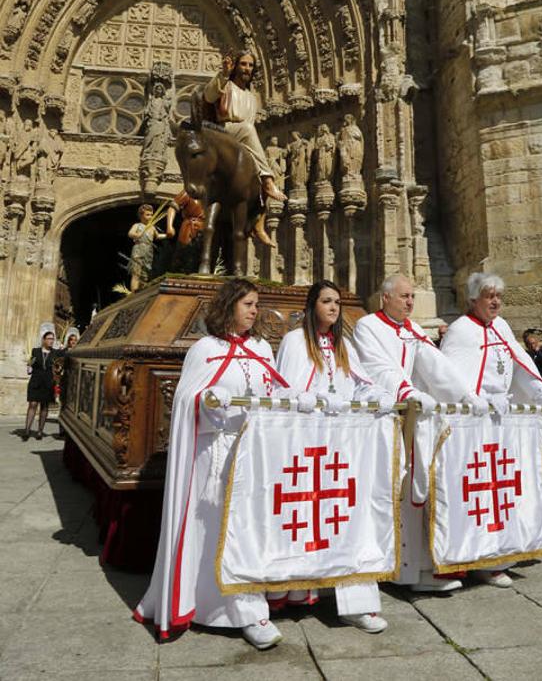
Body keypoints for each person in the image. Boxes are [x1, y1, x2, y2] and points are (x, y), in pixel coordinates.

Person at [134, 278, 290, 650]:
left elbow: (272, 390)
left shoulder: (263, 348)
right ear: (229, 305)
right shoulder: (206, 348)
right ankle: (214, 605)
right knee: (215, 526)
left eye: (256, 304)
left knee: (250, 528)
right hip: (216, 452)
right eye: (248, 304)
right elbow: (188, 397)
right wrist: (209, 400)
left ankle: (250, 606)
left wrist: (289, 397)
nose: (255, 311)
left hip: (254, 451)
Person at [352, 274, 484, 593]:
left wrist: (466, 396)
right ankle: (388, 567)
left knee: (417, 493)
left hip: (414, 421)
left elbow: (435, 364)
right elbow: (378, 368)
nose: (411, 302)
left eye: (412, 297)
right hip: (385, 420)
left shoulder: (411, 329)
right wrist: (407, 391)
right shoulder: (368, 326)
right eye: (404, 296)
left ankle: (417, 568)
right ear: (385, 298)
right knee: (389, 492)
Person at [273, 280, 391, 633]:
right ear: (312, 306)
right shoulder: (296, 341)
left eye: (337, 302)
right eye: (326, 301)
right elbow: (286, 388)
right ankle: (298, 588)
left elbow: (361, 381)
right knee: (306, 517)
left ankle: (359, 604)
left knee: (351, 519)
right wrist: (309, 400)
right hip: (307, 447)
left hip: (344, 447)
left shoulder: (344, 344)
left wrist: (376, 393)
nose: (334, 308)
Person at [441, 272, 542, 587]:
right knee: (478, 493)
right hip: (473, 425)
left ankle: (500, 553)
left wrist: (541, 393)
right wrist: (478, 399)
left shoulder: (503, 326)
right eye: (489, 295)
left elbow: (520, 363)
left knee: (502, 493)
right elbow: (451, 380)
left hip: (502, 424)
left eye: (499, 296)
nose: (495, 301)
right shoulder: (460, 331)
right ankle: (477, 556)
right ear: (473, 299)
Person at [204, 52, 286, 206]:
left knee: (253, 163)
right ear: (235, 66)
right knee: (248, 129)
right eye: (243, 64)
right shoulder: (225, 85)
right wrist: (223, 74)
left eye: (250, 65)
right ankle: (268, 180)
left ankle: (258, 210)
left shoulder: (251, 97)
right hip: (223, 131)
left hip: (242, 138)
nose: (247, 68)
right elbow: (208, 96)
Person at [23, 326, 57, 441]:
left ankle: (39, 432)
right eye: (49, 338)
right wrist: (29, 366)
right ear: (44, 339)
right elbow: (31, 362)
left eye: (52, 339)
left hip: (48, 382)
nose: (51, 341)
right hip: (35, 381)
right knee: (32, 404)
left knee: (44, 406)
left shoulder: (55, 353)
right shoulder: (35, 351)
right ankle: (27, 430)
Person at [127, 204, 167, 292]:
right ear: (141, 215)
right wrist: (137, 235)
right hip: (139, 249)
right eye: (147, 214)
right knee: (136, 272)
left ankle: (142, 290)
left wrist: (167, 235)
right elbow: (130, 233)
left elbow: (157, 236)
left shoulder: (152, 227)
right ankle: (133, 292)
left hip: (148, 251)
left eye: (151, 214)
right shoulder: (137, 225)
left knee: (145, 274)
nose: (150, 217)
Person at [165, 189, 205, 273]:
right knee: (185, 253)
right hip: (189, 227)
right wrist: (169, 226)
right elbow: (172, 207)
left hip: (205, 229)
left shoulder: (211, 194)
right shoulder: (189, 192)